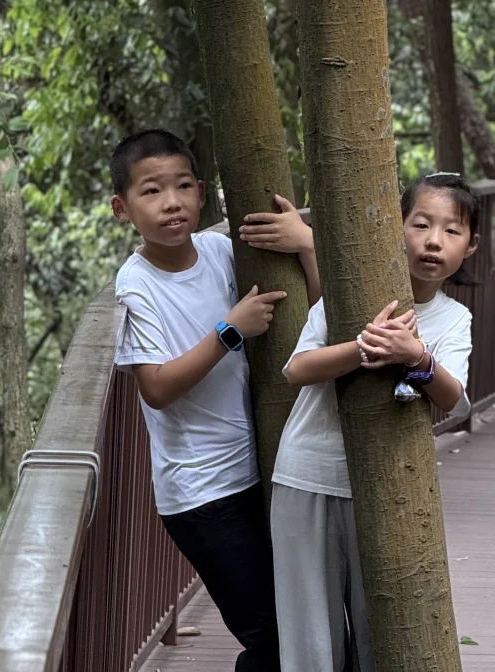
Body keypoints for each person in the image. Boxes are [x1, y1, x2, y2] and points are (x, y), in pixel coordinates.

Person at [112, 129, 320, 672]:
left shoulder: (220, 250)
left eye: (182, 185)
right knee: (271, 641)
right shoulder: (136, 285)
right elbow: (155, 387)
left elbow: (315, 311)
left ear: (203, 193)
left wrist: (306, 244)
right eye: (152, 191)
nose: (172, 202)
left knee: (305, 626)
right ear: (121, 207)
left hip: (261, 471)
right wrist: (230, 330)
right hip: (202, 496)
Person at [270, 171, 479, 672]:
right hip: (306, 478)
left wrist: (416, 357)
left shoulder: (453, 320)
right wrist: (364, 346)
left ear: (470, 248)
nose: (433, 241)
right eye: (421, 224)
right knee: (308, 642)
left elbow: (456, 400)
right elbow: (296, 368)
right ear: (395, 229)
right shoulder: (348, 296)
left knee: (381, 633)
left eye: (452, 231)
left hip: (390, 492)